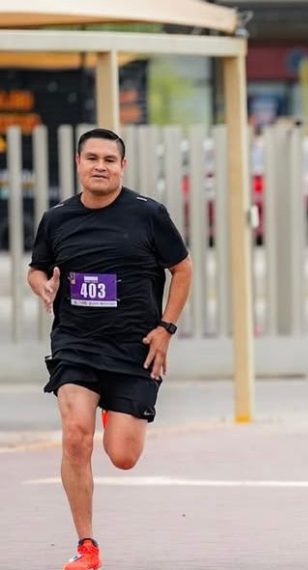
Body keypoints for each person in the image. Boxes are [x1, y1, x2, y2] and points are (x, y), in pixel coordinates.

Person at [27, 128, 193, 570]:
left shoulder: (147, 215)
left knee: (122, 455)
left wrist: (165, 328)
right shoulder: (57, 218)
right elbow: (37, 269)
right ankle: (87, 545)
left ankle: (112, 407)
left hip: (135, 347)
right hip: (76, 344)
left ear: (122, 166)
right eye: (92, 158)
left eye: (109, 159)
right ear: (79, 163)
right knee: (76, 437)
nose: (100, 165)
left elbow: (183, 269)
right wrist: (44, 288)